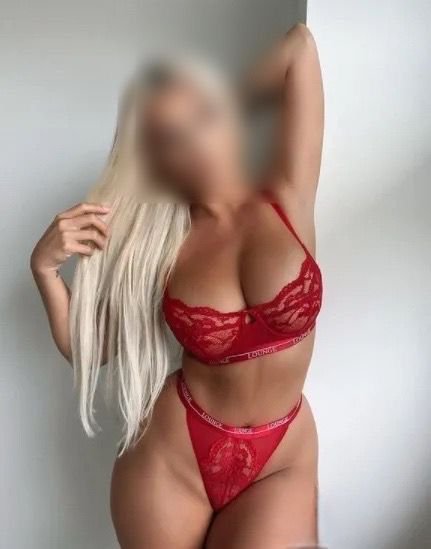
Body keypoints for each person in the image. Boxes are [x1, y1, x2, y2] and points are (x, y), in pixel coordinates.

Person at [31, 22, 324, 549]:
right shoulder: (156, 248)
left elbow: (300, 48)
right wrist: (45, 271)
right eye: (172, 137)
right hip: (175, 458)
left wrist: (217, 103)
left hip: (281, 456)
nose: (196, 145)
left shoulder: (287, 196)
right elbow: (87, 348)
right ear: (156, 158)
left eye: (204, 119)